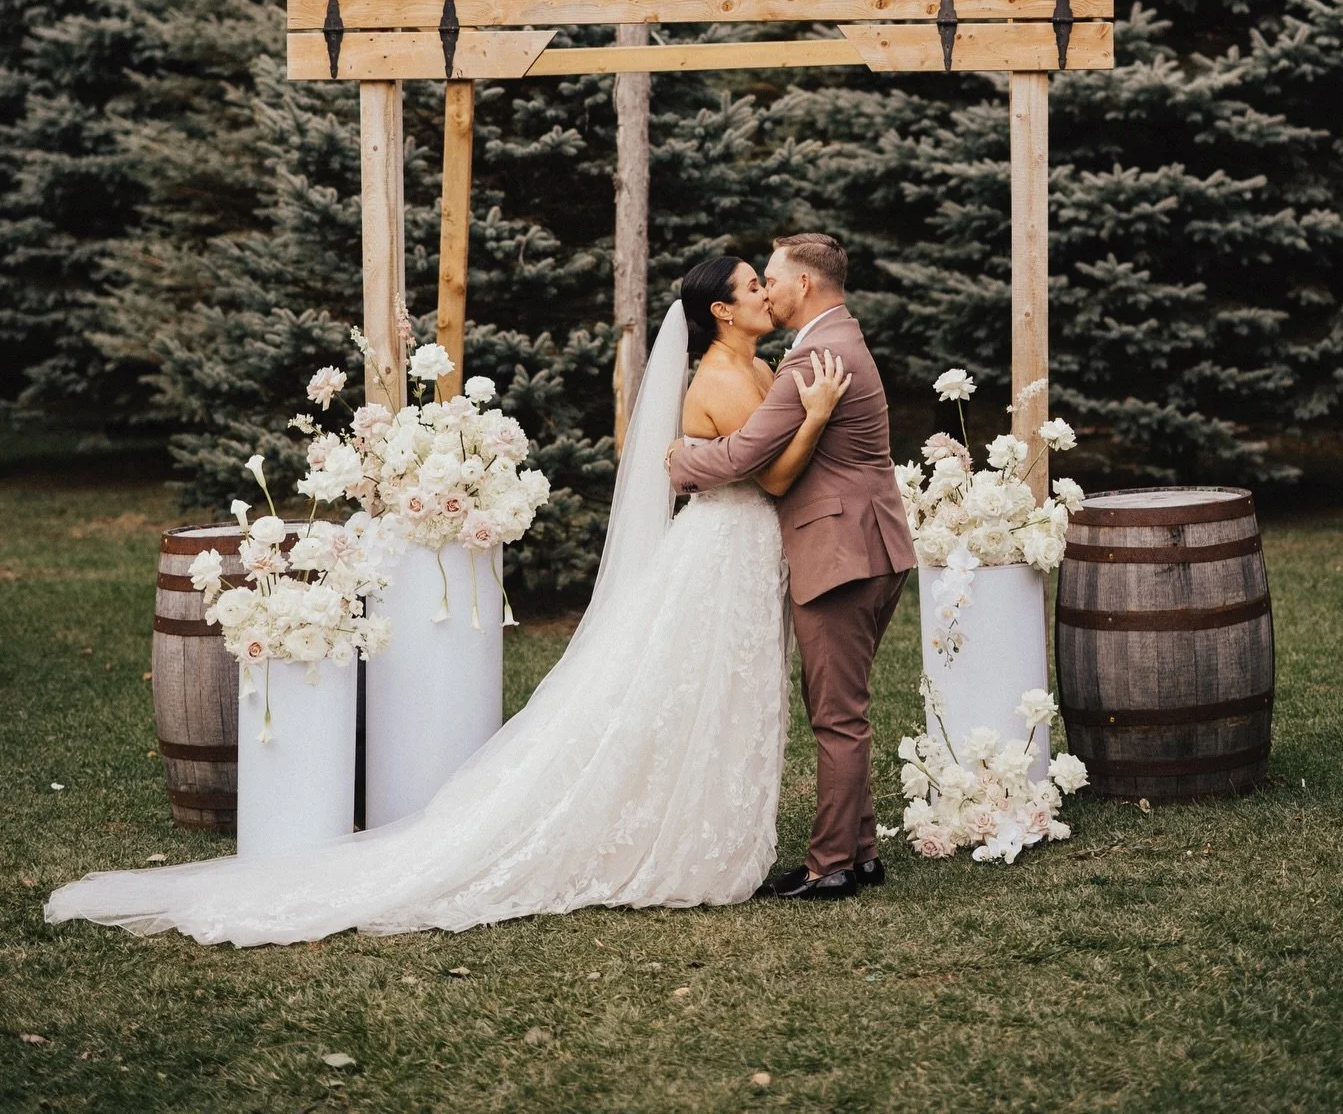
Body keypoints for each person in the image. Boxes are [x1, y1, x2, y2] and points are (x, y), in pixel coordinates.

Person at [45, 261, 847, 946]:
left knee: (723, 692)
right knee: (691, 688)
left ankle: (710, 830)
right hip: (721, 550)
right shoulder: (718, 376)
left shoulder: (757, 366)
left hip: (744, 551)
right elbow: (772, 475)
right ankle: (687, 840)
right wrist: (811, 418)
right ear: (721, 309)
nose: (767, 294)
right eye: (754, 286)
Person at [668, 232, 916, 902]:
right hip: (867, 544)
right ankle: (858, 853)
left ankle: (830, 864)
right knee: (843, 707)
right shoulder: (833, 339)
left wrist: (683, 461)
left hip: (840, 552)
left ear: (804, 284)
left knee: (837, 716)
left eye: (771, 279)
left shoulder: (816, 357)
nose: (768, 290)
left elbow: (747, 454)